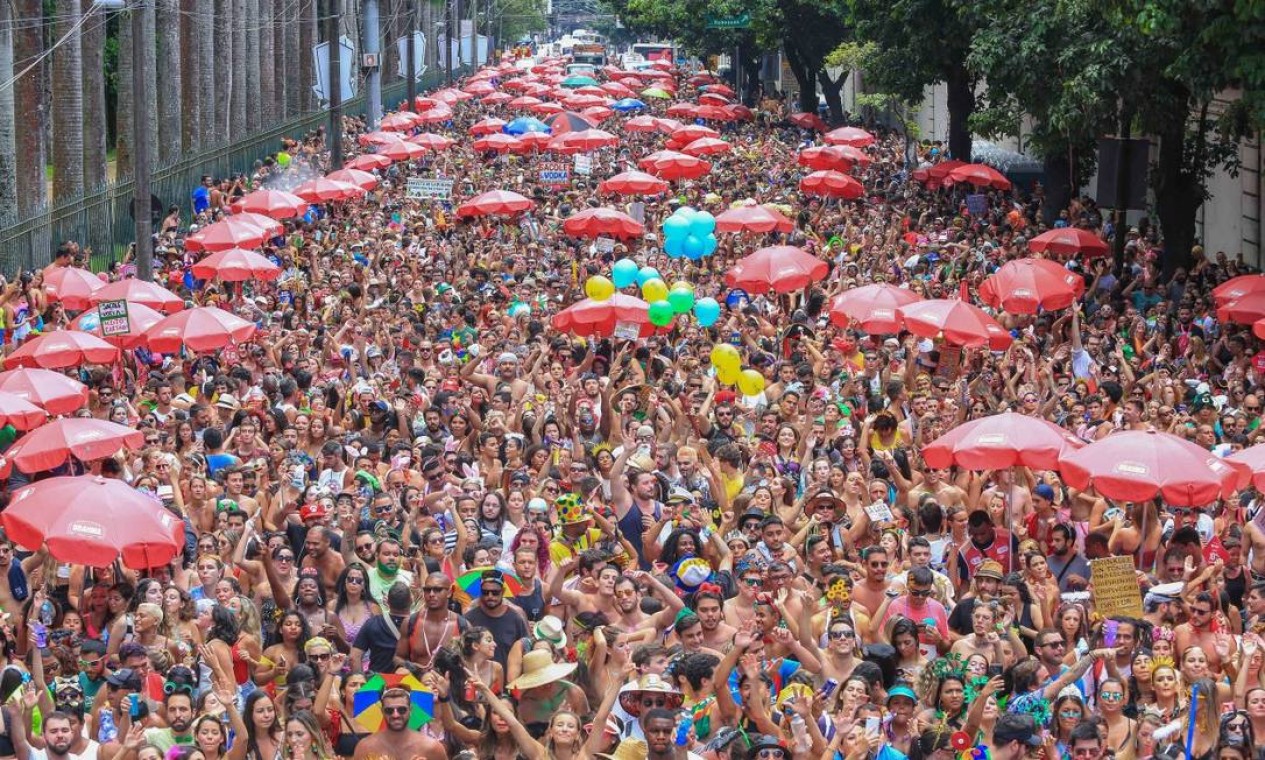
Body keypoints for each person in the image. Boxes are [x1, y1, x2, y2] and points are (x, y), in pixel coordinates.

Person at [351, 687, 444, 759]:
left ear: (410, 710)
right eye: (389, 711)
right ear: (382, 711)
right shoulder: (366, 747)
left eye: (402, 710)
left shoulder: (431, 748)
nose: (396, 715)